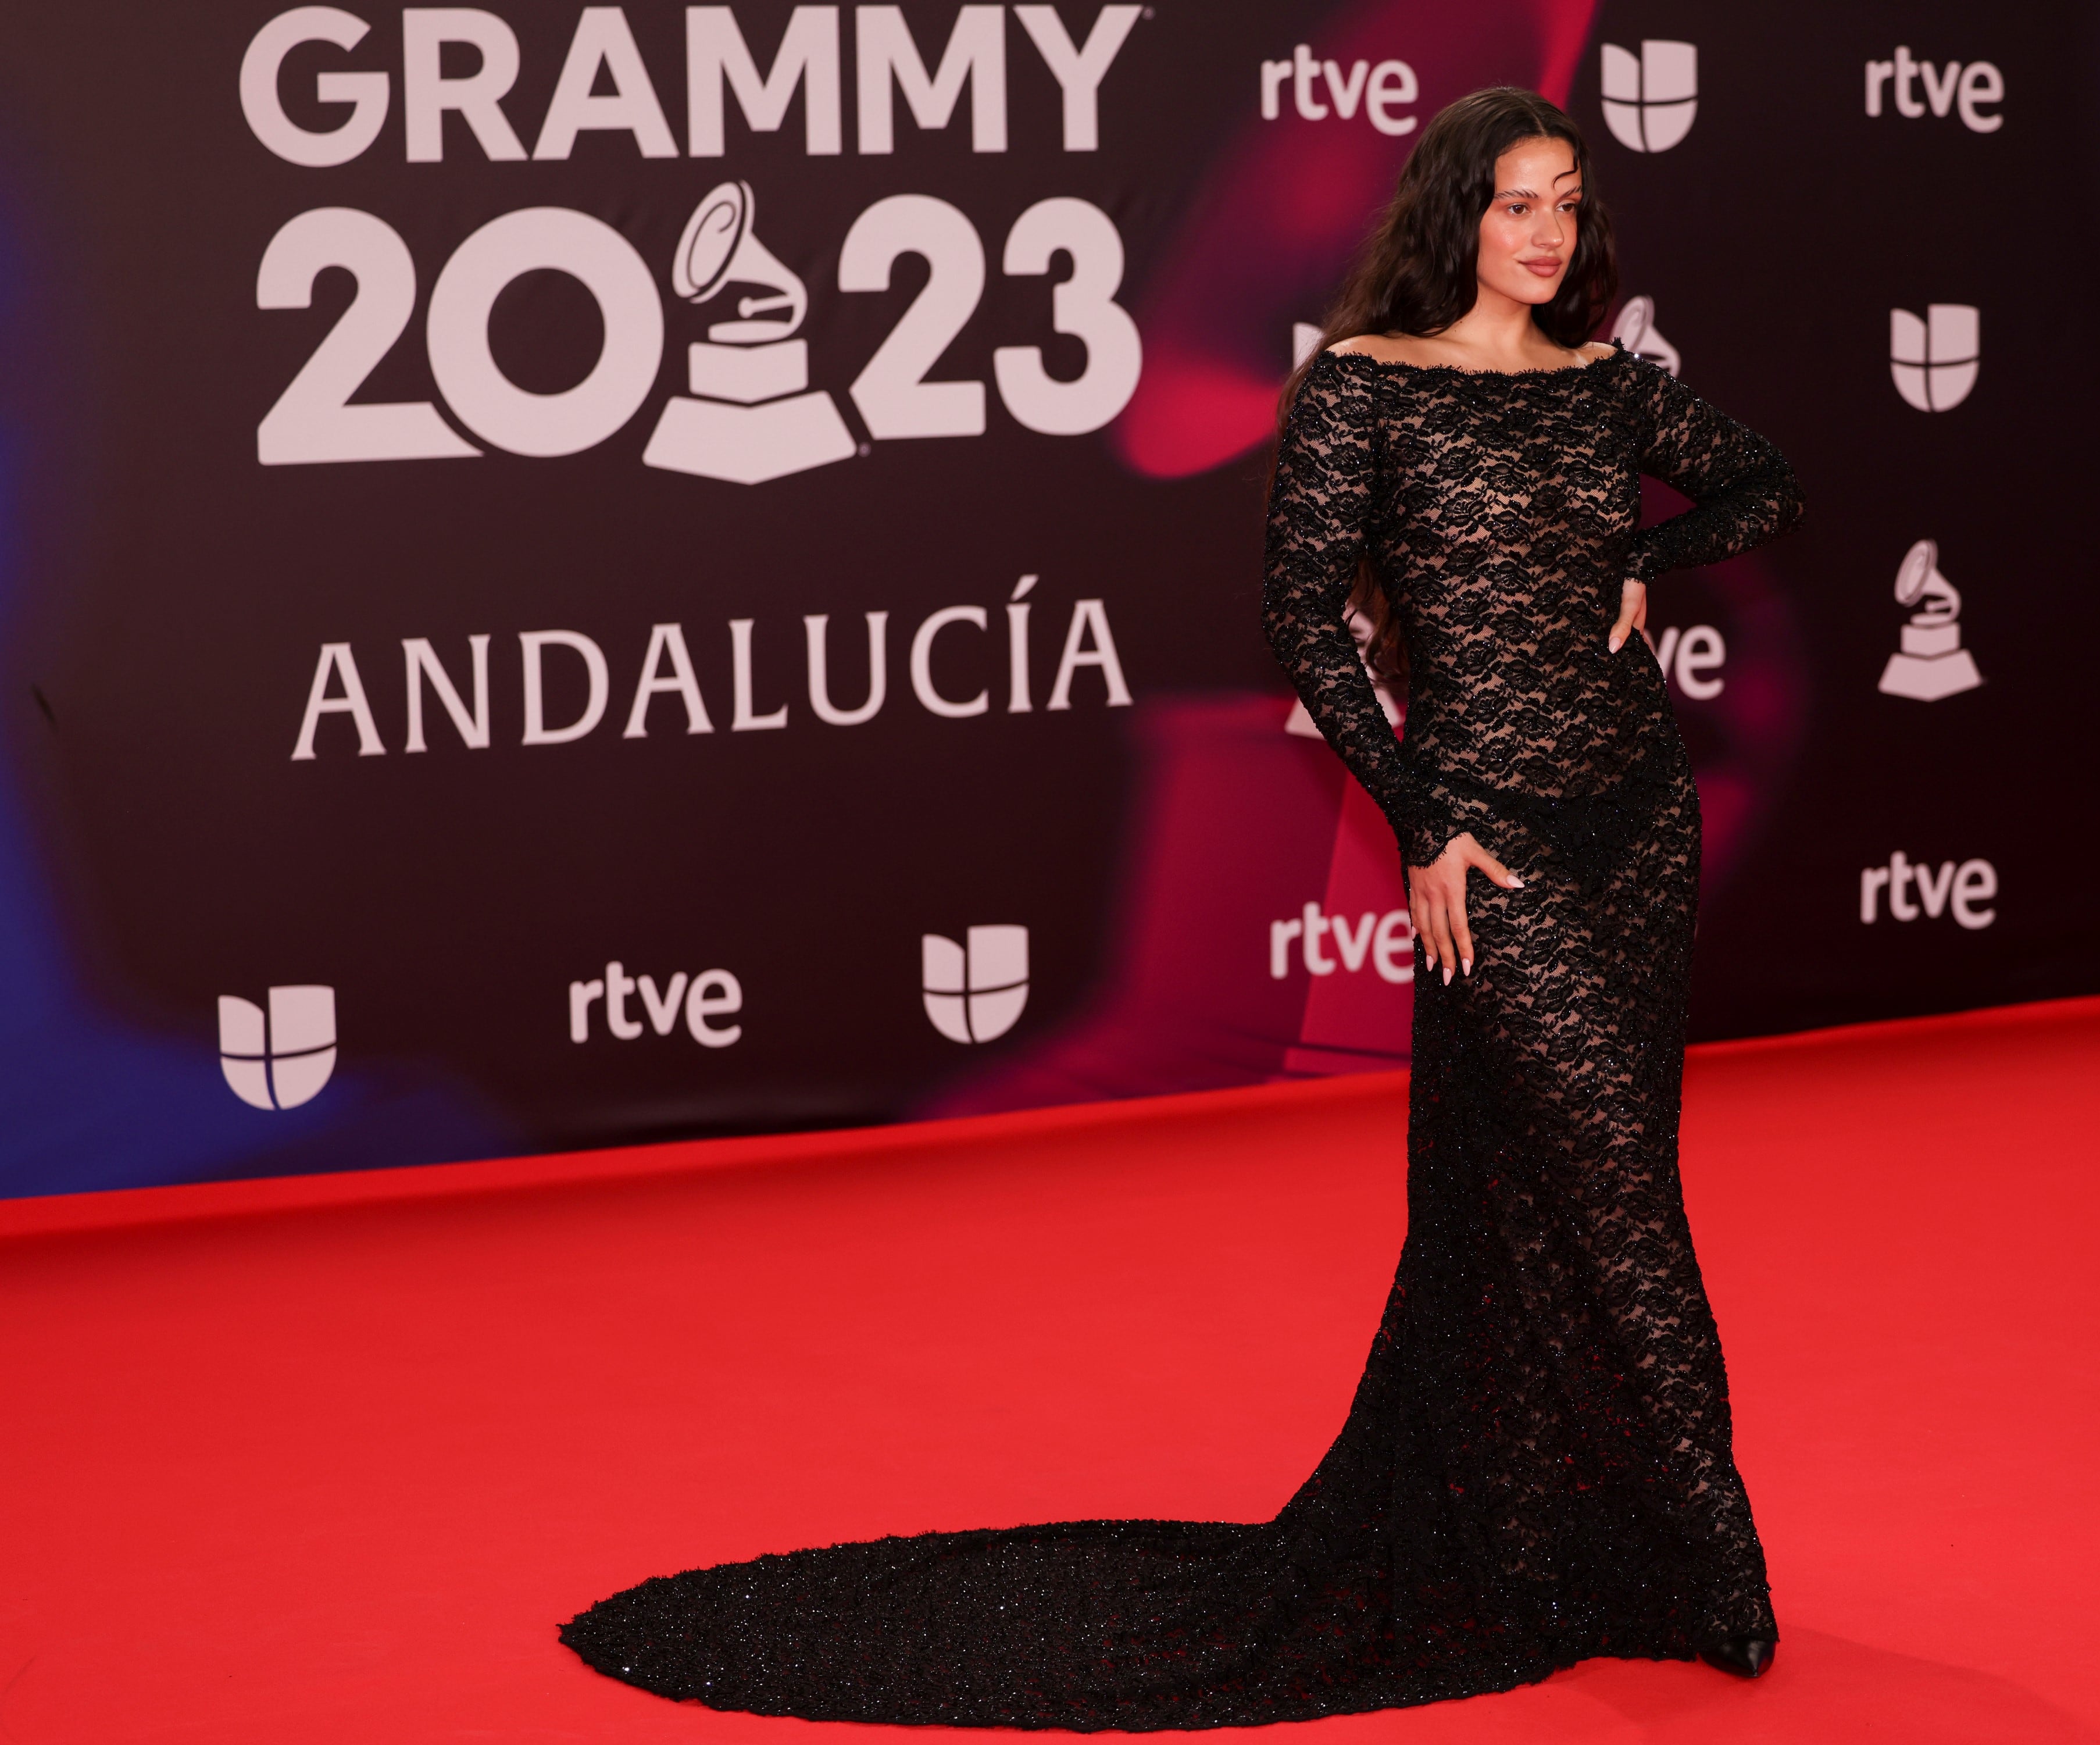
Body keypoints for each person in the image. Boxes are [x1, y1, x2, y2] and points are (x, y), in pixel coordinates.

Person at [560, 85, 1803, 1729]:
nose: (1549, 233)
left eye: (1568, 204)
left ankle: (1577, 1533)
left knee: (1600, 1173)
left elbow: (1765, 485)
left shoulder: (1606, 389)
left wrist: (1653, 560)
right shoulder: (1367, 387)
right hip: (1486, 837)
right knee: (1601, 1192)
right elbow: (1300, 620)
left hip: (1633, 826)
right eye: (1516, 203)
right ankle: (1706, 1547)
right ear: (1454, 216)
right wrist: (1421, 812)